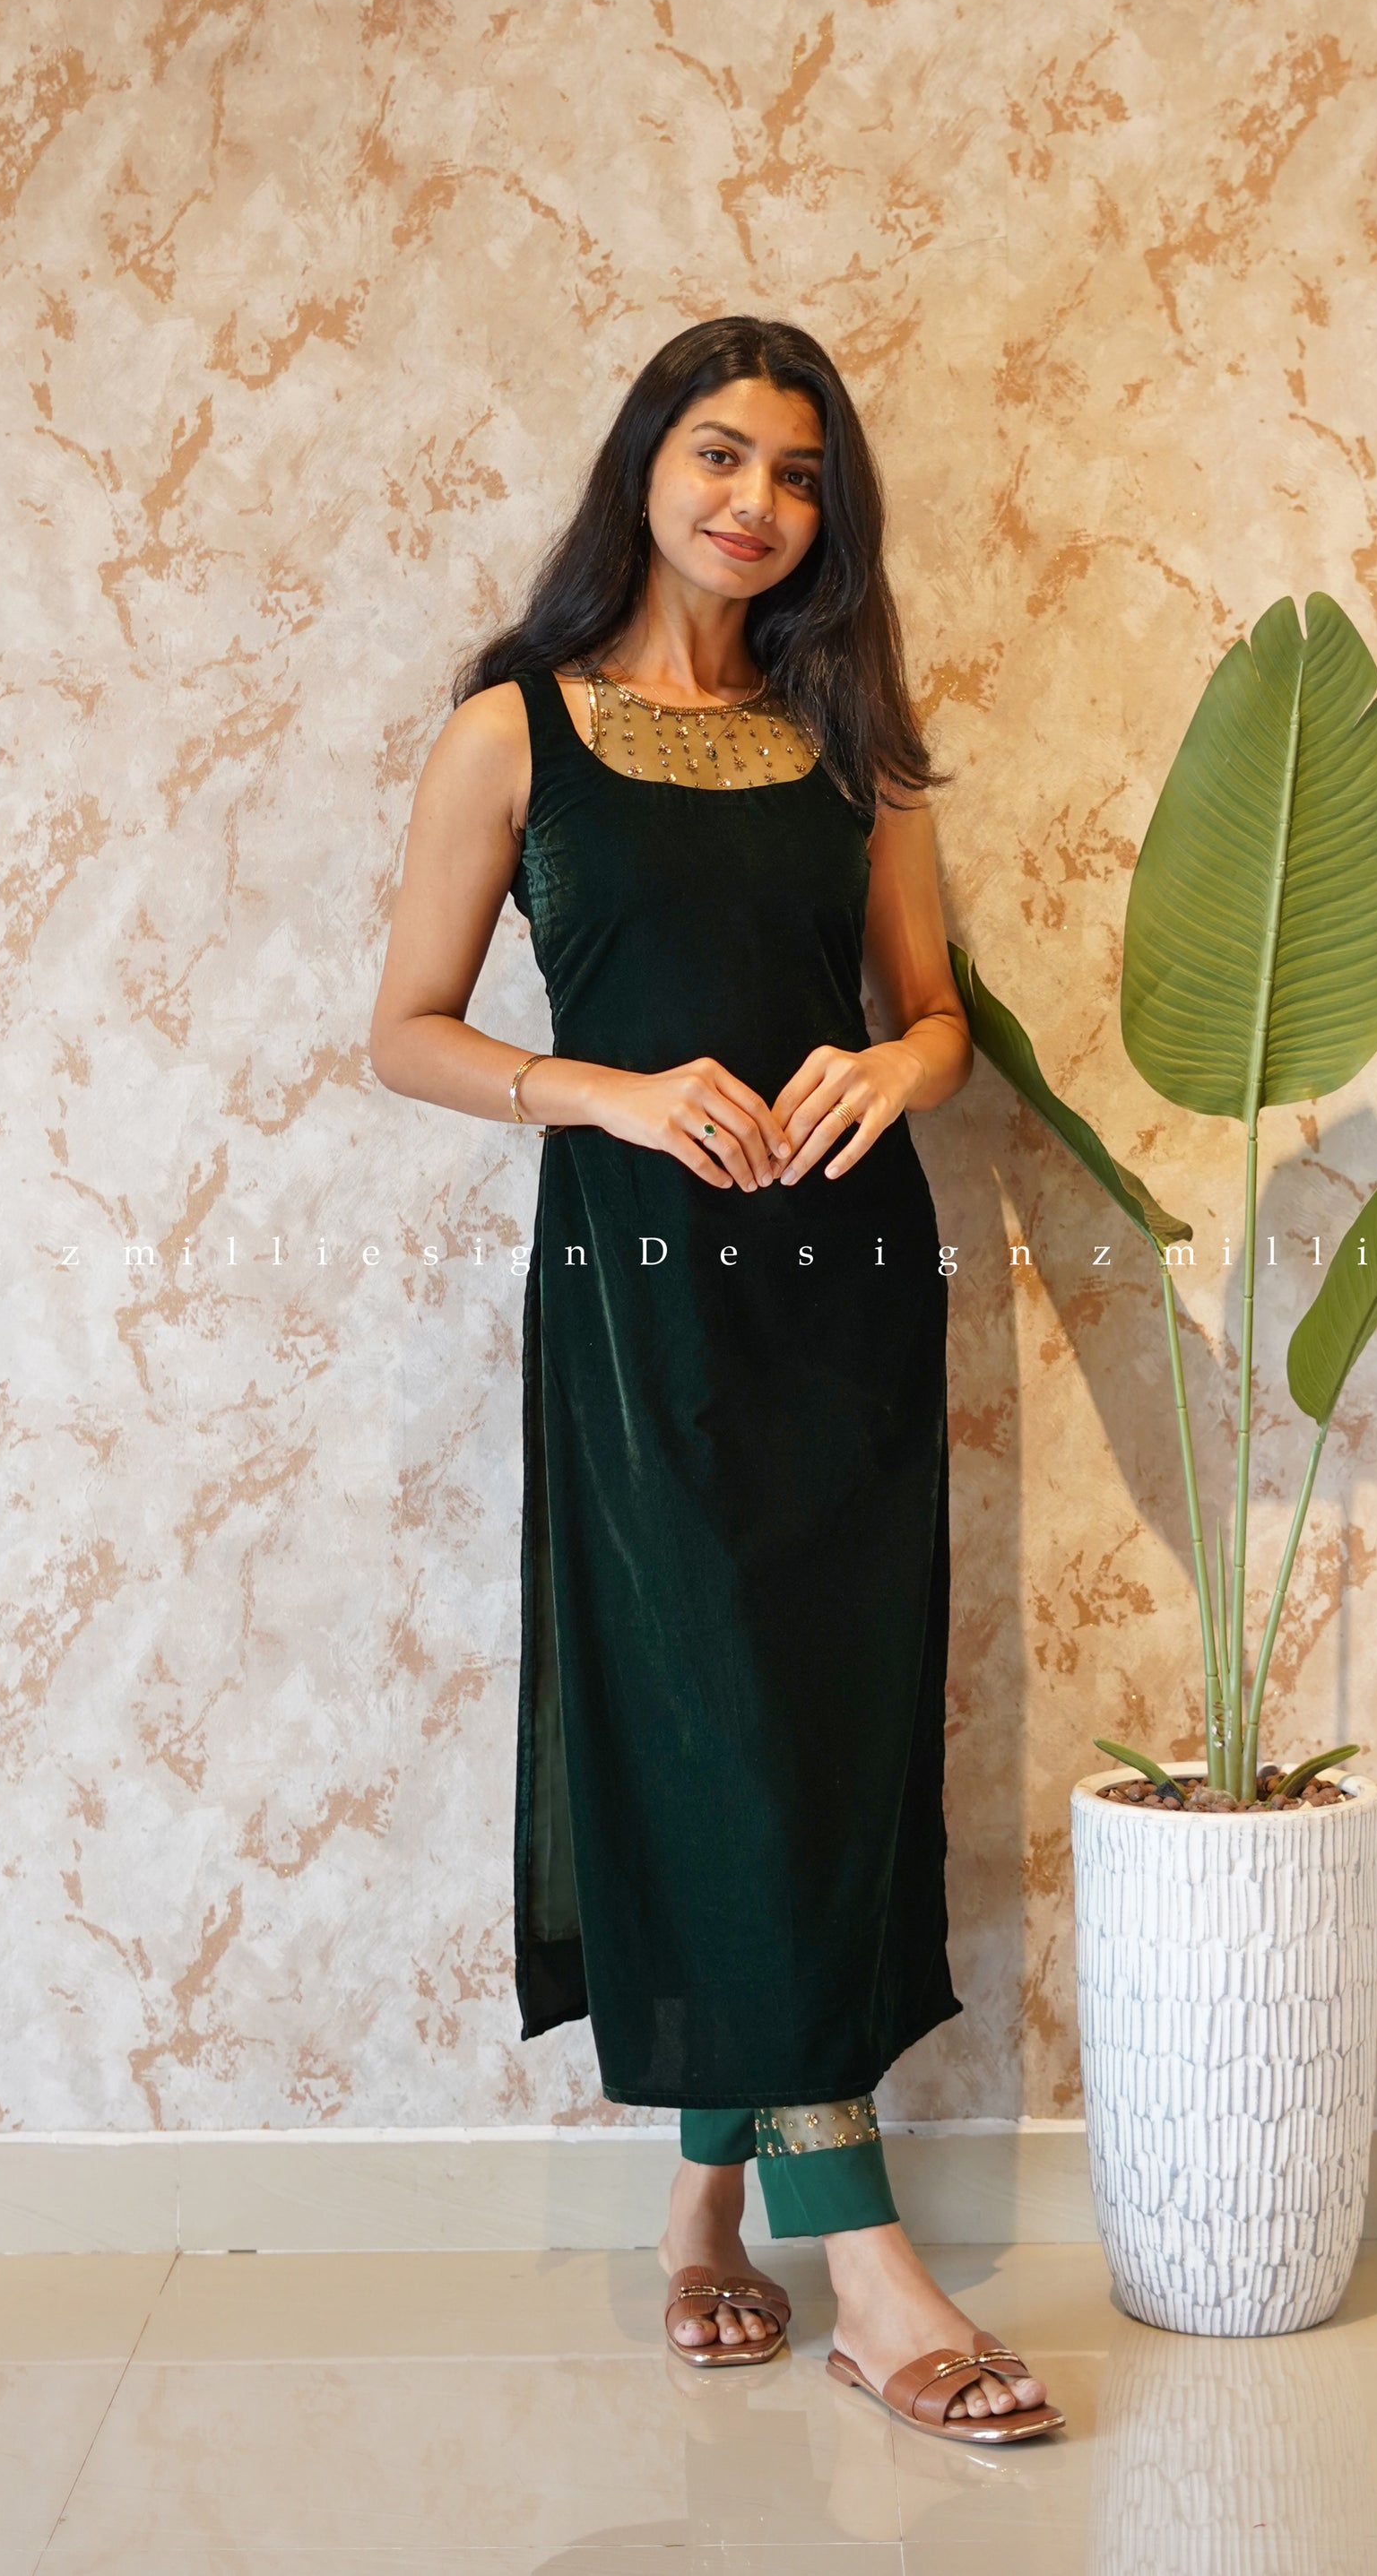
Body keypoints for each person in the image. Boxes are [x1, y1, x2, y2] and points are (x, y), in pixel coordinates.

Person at [368, 316, 1061, 2444]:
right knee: (714, 1722)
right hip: (640, 1294)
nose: (757, 499)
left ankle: (699, 2214)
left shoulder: (855, 741)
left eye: (799, 472)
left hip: (846, 1292)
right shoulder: (513, 729)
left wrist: (894, 1063)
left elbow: (933, 1013)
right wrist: (611, 1090)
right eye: (720, 453)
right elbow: (405, 1028)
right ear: (643, 470)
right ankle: (872, 2269)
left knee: (817, 1734)